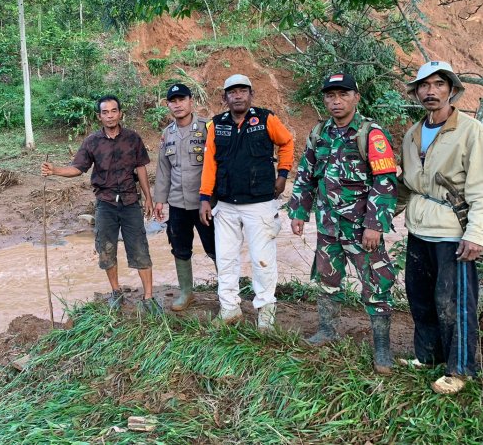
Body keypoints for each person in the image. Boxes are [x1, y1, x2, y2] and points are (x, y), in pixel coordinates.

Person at [288, 73, 398, 374]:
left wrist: (375, 224)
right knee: (327, 280)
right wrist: (299, 211)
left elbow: (385, 182)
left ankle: (382, 348)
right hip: (328, 227)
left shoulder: (370, 133)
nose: (336, 101)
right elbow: (306, 174)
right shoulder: (320, 132)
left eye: (343, 94)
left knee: (376, 285)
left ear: (356, 97)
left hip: (362, 230)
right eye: (330, 95)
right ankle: (328, 329)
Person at [398, 60, 483, 394]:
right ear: (417, 92)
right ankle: (428, 356)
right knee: (420, 297)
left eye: (438, 85)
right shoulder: (413, 133)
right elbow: (406, 183)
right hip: (419, 229)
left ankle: (461, 369)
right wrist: (384, 213)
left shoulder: (470, 131)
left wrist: (476, 234)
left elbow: (479, 187)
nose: (430, 91)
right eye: (424, 86)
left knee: (454, 302)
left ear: (451, 90)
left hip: (453, 232)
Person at [41, 95, 162, 314]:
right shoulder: (92, 142)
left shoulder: (133, 139)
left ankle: (149, 297)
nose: (110, 115)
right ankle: (116, 293)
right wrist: (55, 170)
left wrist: (149, 198)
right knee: (106, 250)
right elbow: (78, 168)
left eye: (113, 111)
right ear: (99, 116)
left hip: (130, 202)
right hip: (105, 204)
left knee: (140, 249)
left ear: (120, 113)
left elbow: (141, 168)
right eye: (105, 112)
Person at [199, 74, 294, 330]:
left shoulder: (265, 119)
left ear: (251, 94)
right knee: (226, 259)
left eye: (243, 91)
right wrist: (205, 198)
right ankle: (229, 309)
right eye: (232, 92)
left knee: (262, 259)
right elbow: (209, 165)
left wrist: (283, 174)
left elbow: (286, 143)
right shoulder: (216, 125)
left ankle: (265, 313)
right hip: (226, 205)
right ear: (224, 98)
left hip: (260, 204)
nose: (238, 95)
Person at [154, 83, 216, 311]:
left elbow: (217, 164)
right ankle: (186, 292)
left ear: (191, 101)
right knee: (180, 248)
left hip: (205, 203)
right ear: (168, 105)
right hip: (178, 203)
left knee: (215, 248)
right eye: (173, 101)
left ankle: (226, 293)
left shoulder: (207, 128)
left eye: (182, 99)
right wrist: (160, 199)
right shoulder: (167, 134)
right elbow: (164, 169)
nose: (177, 104)